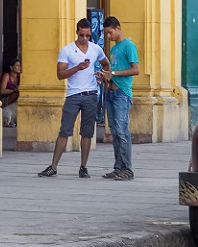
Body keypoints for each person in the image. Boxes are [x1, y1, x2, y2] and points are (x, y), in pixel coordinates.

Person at [38, 18, 105, 179]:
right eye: (82, 35)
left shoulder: (95, 49)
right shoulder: (67, 50)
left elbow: (106, 63)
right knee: (65, 131)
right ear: (77, 32)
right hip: (73, 95)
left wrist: (101, 76)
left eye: (88, 35)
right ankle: (53, 166)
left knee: (87, 132)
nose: (85, 39)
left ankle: (83, 166)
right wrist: (77, 68)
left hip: (90, 94)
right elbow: (60, 74)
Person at [98, 17, 140, 181]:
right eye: (106, 33)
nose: (108, 36)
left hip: (122, 94)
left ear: (118, 28)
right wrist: (104, 76)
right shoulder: (115, 49)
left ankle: (127, 169)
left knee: (122, 132)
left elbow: (135, 69)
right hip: (111, 92)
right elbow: (113, 69)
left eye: (110, 32)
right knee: (115, 132)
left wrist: (113, 74)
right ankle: (118, 167)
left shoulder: (129, 46)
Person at [0, 61, 22, 129]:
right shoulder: (7, 76)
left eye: (20, 65)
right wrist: (14, 90)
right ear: (11, 67)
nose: (19, 67)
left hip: (14, 103)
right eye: (17, 65)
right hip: (6, 100)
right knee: (17, 93)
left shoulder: (20, 77)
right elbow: (2, 91)